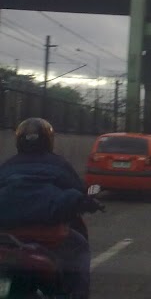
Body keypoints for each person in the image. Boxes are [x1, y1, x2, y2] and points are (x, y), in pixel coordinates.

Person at [0, 118, 101, 299]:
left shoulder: (8, 165)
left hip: (7, 235)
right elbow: (78, 191)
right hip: (47, 234)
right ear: (48, 140)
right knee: (80, 247)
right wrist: (87, 201)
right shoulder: (59, 164)